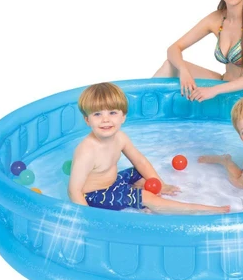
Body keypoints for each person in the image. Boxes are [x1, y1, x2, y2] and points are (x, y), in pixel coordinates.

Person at [68, 82, 230, 214]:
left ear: (123, 116)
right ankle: (205, 210)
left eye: (112, 113)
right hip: (96, 195)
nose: (105, 120)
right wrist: (87, 220)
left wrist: (160, 183)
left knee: (142, 172)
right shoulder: (87, 151)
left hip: (114, 182)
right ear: (87, 120)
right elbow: (74, 191)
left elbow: (140, 161)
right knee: (148, 197)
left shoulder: (120, 137)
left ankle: (137, 196)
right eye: (97, 114)